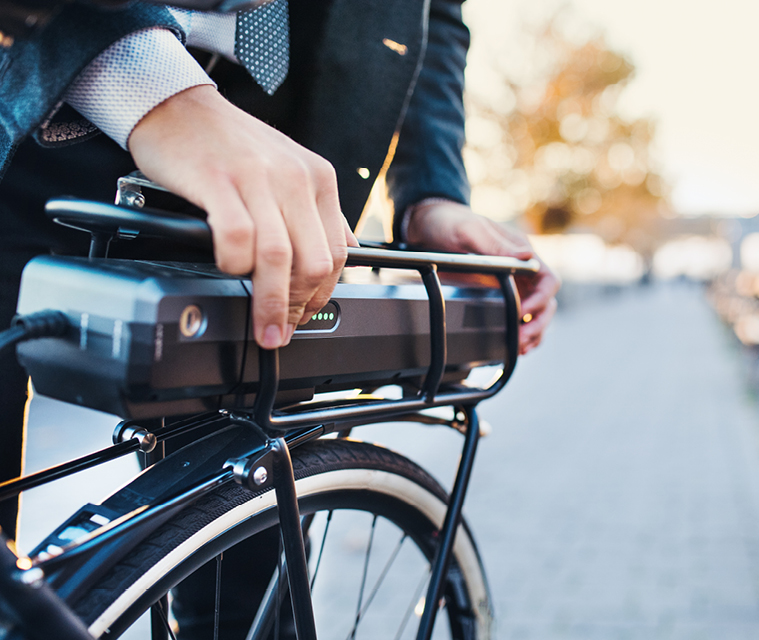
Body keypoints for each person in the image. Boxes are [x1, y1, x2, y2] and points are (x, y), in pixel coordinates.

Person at [0, 1, 559, 634]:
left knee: (250, 589)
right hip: (29, 106)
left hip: (277, 166)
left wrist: (433, 193)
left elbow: (434, 16)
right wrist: (148, 85)